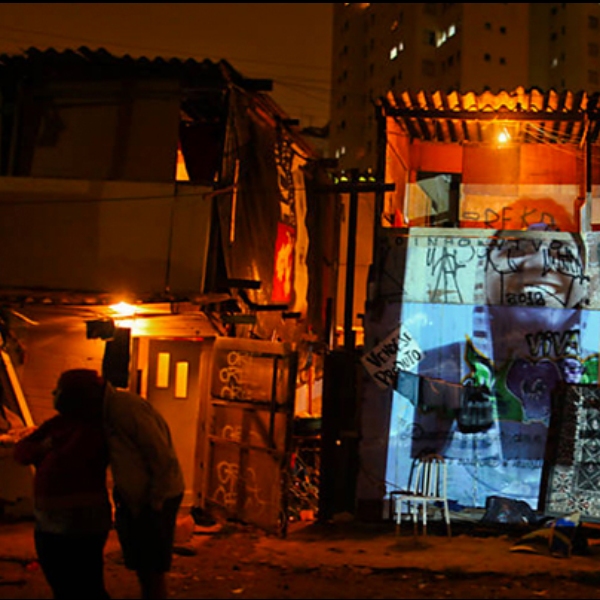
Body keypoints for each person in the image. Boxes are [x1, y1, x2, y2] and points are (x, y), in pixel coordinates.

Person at [57, 368, 185, 600]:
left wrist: (154, 503)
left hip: (155, 497)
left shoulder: (125, 409)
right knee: (142, 565)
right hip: (139, 499)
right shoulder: (107, 412)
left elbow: (161, 456)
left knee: (151, 569)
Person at [13, 369, 111, 599]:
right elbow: (21, 452)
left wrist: (45, 449)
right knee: (62, 583)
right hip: (50, 521)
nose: (53, 393)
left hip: (82, 522)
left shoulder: (93, 428)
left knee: (84, 585)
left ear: (73, 395)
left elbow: (69, 459)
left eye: (59, 390)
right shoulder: (58, 424)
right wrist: (43, 448)